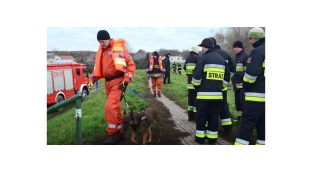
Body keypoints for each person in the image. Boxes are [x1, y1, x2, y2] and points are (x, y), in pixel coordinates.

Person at [92, 30, 136, 146]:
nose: (101, 44)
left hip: (118, 83)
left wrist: (126, 81)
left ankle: (112, 134)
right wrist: (91, 80)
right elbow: (99, 71)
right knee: (115, 108)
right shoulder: (101, 52)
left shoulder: (118, 48)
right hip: (107, 84)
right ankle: (120, 132)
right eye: (99, 42)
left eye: (102, 41)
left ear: (108, 38)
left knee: (109, 107)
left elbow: (131, 65)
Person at [192, 38, 230, 145]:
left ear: (204, 47)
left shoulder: (203, 59)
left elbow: (196, 77)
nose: (202, 50)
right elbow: (227, 76)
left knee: (201, 116)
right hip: (218, 96)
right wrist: (220, 86)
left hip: (203, 96)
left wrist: (197, 86)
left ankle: (200, 138)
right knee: (214, 117)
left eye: (202, 48)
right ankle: (212, 139)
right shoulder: (221, 60)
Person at [234, 26, 266, 146]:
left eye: (251, 39)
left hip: (255, 96)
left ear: (256, 38)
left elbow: (251, 74)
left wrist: (245, 87)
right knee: (263, 125)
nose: (250, 41)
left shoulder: (257, 51)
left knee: (246, 123)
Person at [210, 37, 235, 134]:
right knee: (224, 106)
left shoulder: (208, 55)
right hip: (222, 88)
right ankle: (227, 127)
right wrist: (226, 81)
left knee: (211, 107)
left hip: (210, 88)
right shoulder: (226, 54)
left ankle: (211, 128)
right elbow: (232, 70)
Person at [232, 40, 249, 122]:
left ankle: (244, 120)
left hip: (243, 86)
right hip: (236, 86)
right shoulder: (236, 58)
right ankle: (240, 119)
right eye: (233, 47)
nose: (234, 49)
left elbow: (248, 71)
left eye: (235, 47)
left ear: (240, 48)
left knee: (243, 104)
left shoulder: (246, 56)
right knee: (237, 103)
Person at [184, 44, 200, 121]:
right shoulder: (198, 58)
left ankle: (190, 117)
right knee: (196, 101)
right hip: (196, 84)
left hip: (189, 84)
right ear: (197, 50)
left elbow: (185, 68)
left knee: (190, 101)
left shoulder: (187, 58)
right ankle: (195, 117)